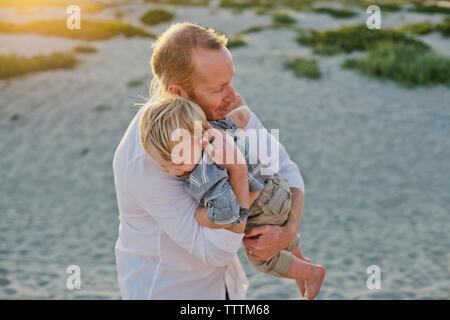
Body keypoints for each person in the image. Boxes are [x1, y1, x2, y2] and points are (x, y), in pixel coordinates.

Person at [113, 22, 308, 299]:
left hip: (225, 286)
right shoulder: (147, 160)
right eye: (219, 88)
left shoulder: (223, 111)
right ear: (178, 93)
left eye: (230, 81)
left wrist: (289, 233)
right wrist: (239, 173)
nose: (233, 96)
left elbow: (284, 167)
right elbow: (213, 252)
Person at [139, 97, 326, 299]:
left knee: (261, 257)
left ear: (200, 140)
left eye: (179, 160)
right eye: (164, 165)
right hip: (278, 186)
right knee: (279, 229)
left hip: (263, 208)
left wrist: (198, 215)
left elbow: (227, 215)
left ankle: (312, 273)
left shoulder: (207, 173)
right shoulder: (216, 128)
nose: (172, 170)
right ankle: (301, 258)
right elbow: (244, 114)